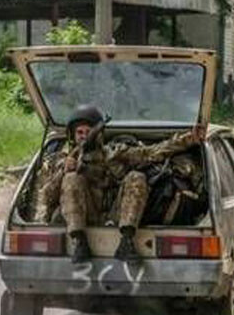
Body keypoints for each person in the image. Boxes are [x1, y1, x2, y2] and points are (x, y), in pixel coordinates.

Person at [34, 105, 205, 263]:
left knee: (136, 176)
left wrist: (189, 139)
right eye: (79, 132)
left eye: (88, 131)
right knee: (72, 179)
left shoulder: (115, 154)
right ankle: (79, 241)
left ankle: (127, 242)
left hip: (116, 214)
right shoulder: (61, 160)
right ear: (72, 136)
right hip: (84, 215)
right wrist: (64, 171)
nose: (84, 136)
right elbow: (46, 195)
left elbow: (153, 152)